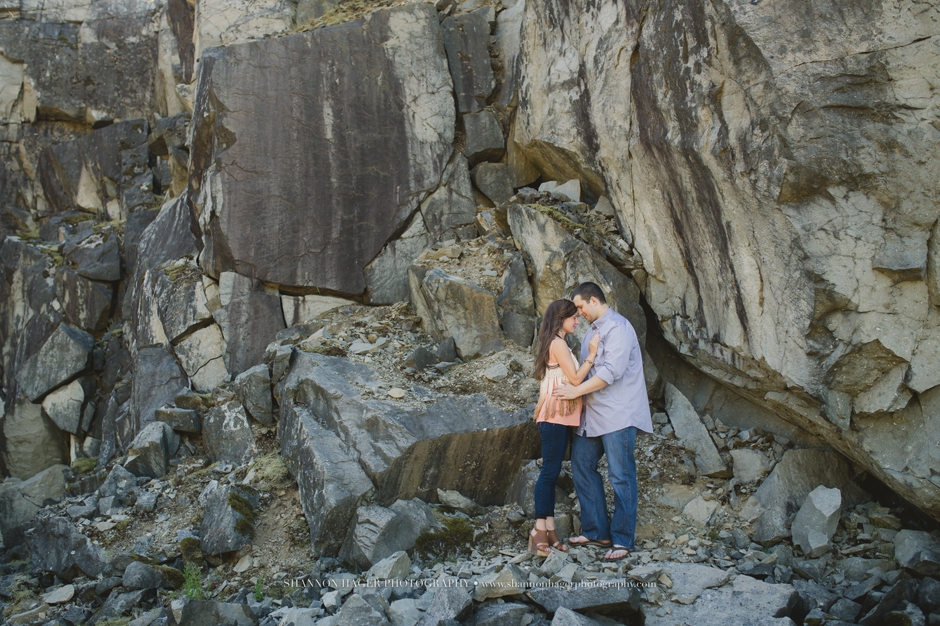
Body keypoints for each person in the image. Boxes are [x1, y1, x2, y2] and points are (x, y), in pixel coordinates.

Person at [553, 282, 652, 562]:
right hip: (593, 416)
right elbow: (584, 371)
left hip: (619, 414)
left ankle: (622, 540)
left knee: (621, 476)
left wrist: (574, 391)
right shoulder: (591, 334)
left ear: (594, 300)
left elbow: (611, 372)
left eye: (581, 307)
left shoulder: (618, 328)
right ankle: (597, 531)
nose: (579, 313)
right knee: (582, 465)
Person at [528, 299, 599, 556]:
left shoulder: (558, 342)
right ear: (562, 319)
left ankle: (549, 530)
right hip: (554, 417)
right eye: (573, 318)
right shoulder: (558, 344)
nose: (577, 321)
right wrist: (591, 354)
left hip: (559, 418)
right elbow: (577, 378)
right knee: (549, 473)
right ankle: (538, 529)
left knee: (552, 470)